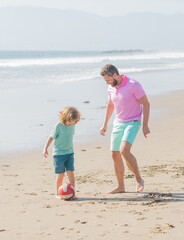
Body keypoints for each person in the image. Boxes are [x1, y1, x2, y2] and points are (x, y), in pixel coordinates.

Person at [100, 64, 150, 194]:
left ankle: (138, 179)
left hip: (133, 122)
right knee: (114, 153)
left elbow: (145, 103)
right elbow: (110, 105)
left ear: (115, 75)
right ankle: (120, 186)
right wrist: (105, 124)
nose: (107, 83)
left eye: (108, 80)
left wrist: (145, 125)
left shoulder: (133, 85)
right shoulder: (110, 88)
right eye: (105, 81)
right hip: (118, 123)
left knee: (124, 150)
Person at [42, 106, 80, 199]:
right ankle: (58, 193)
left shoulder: (72, 125)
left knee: (71, 172)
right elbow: (51, 137)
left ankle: (73, 193)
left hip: (69, 153)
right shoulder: (58, 126)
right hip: (58, 154)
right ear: (64, 118)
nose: (71, 123)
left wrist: (72, 150)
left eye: (73, 121)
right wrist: (45, 149)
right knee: (61, 174)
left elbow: (69, 139)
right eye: (69, 121)